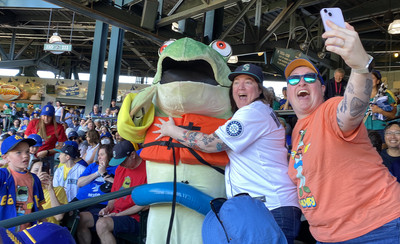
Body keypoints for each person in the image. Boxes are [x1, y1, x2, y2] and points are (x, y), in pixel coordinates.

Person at [154, 63, 301, 243]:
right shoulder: (260, 111)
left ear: (260, 90)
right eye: (236, 82)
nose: (240, 87)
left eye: (248, 82)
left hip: (272, 208)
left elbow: (211, 144)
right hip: (268, 206)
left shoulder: (252, 113)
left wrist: (172, 131)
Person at [284, 20, 400, 243]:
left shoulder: (329, 110)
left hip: (376, 229)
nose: (302, 83)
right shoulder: (299, 129)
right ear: (288, 92)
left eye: (310, 78)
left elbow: (351, 111)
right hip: (327, 235)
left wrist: (359, 67)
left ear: (322, 88)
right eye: (294, 79)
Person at [76, 140, 147, 244]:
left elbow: (145, 205)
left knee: (102, 224)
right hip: (116, 212)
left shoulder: (147, 169)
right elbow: (114, 195)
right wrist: (108, 208)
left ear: (132, 155)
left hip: (136, 217)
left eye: (123, 161)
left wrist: (119, 215)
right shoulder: (120, 169)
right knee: (82, 219)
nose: (121, 165)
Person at [0, 135, 44, 232]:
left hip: (29, 232)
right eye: (18, 152)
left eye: (27, 151)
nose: (25, 155)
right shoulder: (3, 175)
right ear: (5, 157)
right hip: (5, 234)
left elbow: (39, 207)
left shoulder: (34, 178)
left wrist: (44, 226)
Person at [25, 103, 67, 173]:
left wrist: (47, 152)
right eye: (44, 116)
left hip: (48, 157)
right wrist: (29, 149)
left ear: (53, 116)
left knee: (45, 178)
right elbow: (26, 139)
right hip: (31, 155)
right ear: (41, 115)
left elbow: (62, 146)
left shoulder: (59, 127)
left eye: (49, 116)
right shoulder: (34, 122)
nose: (46, 119)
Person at [30, 159, 68, 224]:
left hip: (49, 229)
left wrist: (50, 190)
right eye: (36, 170)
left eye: (43, 170)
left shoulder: (58, 190)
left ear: (49, 172)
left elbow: (59, 217)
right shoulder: (27, 190)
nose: (40, 173)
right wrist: (36, 184)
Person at [364, 69, 397, 139]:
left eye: (372, 78)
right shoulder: (361, 95)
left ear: (378, 81)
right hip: (363, 130)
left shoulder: (385, 95)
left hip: (380, 130)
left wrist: (379, 110)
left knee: (380, 149)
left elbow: (393, 115)